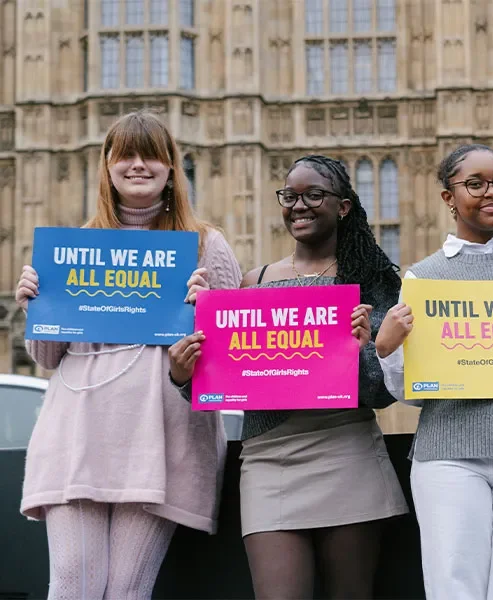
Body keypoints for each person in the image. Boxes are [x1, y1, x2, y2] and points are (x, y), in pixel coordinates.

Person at [14, 110, 242, 599]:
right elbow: (49, 356)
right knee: (73, 585)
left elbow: (230, 363)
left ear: (171, 167)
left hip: (160, 437)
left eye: (152, 155)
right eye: (126, 155)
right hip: (79, 430)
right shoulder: (75, 247)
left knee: (126, 592)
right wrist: (37, 305)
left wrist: (207, 317)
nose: (139, 165)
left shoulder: (207, 246)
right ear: (108, 166)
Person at [168, 154, 408, 599]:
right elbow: (225, 384)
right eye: (290, 196)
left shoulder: (370, 281)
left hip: (346, 448)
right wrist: (183, 374)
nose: (299, 205)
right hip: (268, 458)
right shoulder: (252, 283)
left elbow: (383, 392)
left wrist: (363, 352)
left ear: (343, 207)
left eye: (314, 195)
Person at [374, 144, 493, 600]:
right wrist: (386, 350)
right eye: (475, 184)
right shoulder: (423, 278)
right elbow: (414, 394)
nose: (492, 192)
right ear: (448, 198)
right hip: (448, 454)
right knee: (453, 589)